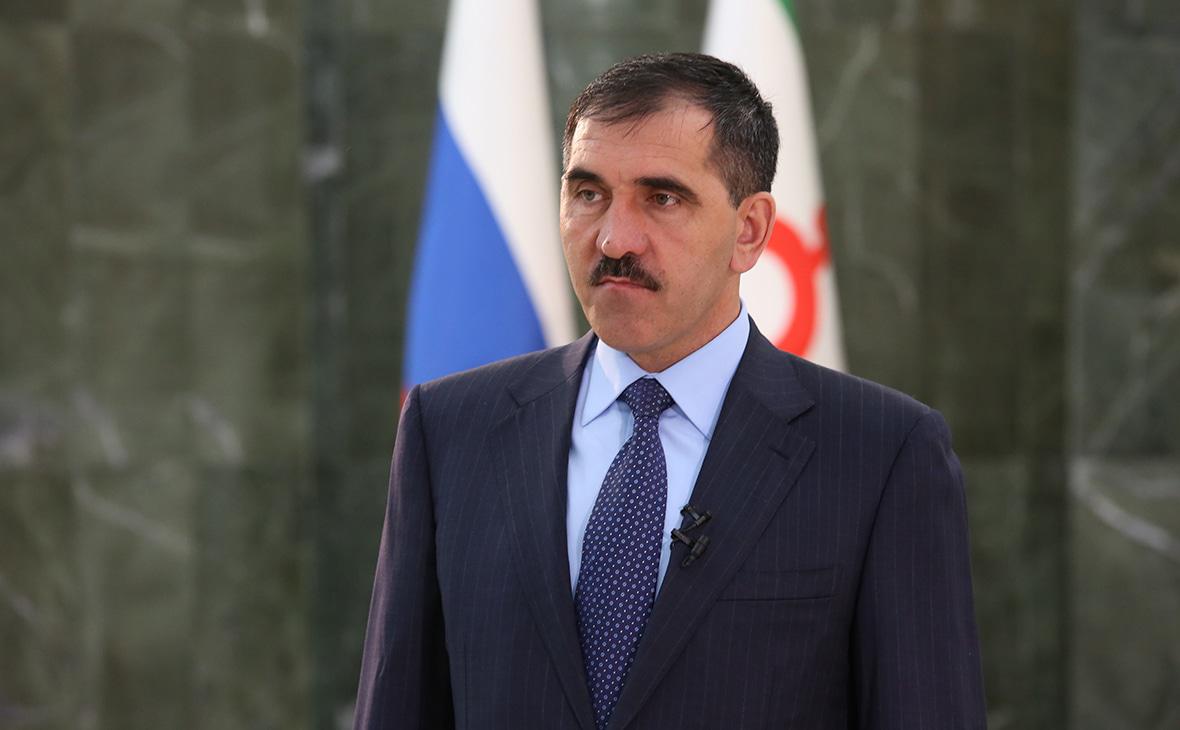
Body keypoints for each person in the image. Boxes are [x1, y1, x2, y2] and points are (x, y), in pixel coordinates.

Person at [353, 53, 986, 730]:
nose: (614, 239)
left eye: (662, 198)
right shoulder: (449, 430)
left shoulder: (880, 454)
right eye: (588, 193)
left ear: (750, 230)